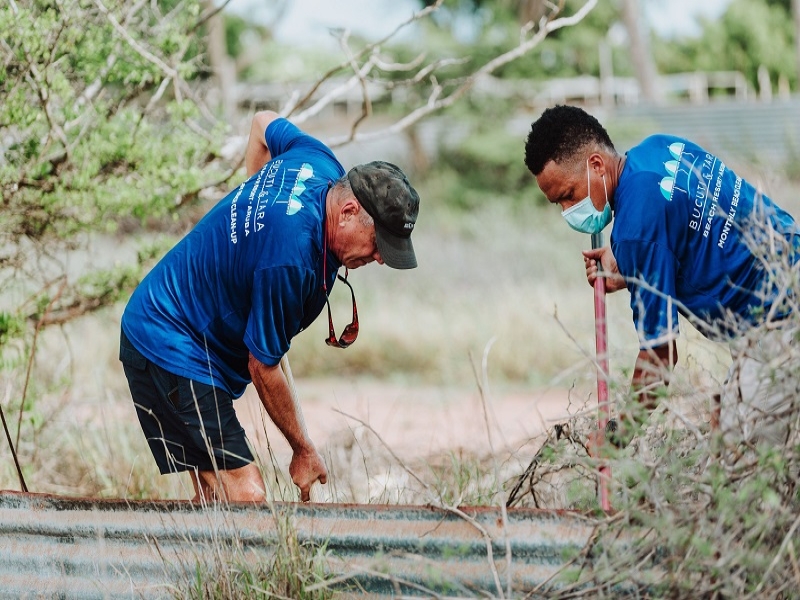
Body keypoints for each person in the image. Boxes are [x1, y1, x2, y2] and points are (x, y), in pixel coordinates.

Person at [119, 110, 421, 503]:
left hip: (172, 330)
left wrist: (252, 208)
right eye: (378, 244)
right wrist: (303, 449)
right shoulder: (290, 257)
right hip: (169, 340)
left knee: (214, 502)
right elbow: (263, 366)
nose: (380, 259)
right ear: (348, 212)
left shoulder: (318, 160)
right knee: (247, 498)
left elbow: (263, 123)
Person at [524, 104, 799, 452]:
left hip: (780, 326)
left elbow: (660, 356)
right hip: (791, 267)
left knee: (741, 465)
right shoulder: (659, 148)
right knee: (725, 424)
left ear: (596, 165)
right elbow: (690, 232)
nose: (568, 211)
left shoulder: (635, 232)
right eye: (558, 204)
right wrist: (631, 268)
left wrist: (616, 437)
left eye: (568, 195)